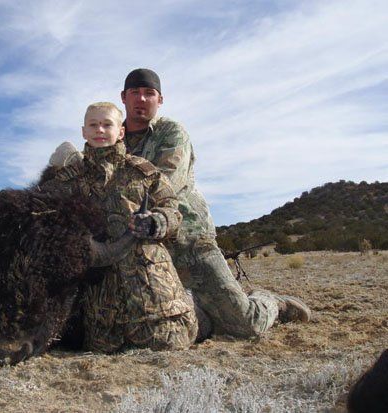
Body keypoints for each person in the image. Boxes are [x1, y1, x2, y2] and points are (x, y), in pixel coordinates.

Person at [48, 68, 311, 338]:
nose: (141, 99)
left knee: (245, 324)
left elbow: (163, 189)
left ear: (160, 100)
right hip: (136, 249)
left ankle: (272, 302)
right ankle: (199, 311)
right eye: (135, 93)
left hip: (188, 243)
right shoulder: (108, 134)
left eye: (149, 93)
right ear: (123, 98)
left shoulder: (172, 133)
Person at [0, 102, 198, 352]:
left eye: (107, 124)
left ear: (120, 132)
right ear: (84, 132)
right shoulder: (66, 178)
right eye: (93, 125)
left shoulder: (146, 174)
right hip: (97, 294)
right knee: (98, 344)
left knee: (168, 340)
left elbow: (173, 210)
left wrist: (156, 222)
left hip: (147, 281)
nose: (100, 130)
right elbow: (32, 207)